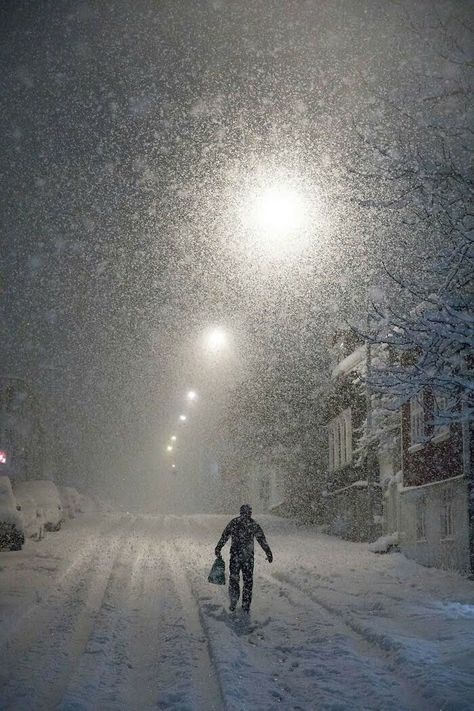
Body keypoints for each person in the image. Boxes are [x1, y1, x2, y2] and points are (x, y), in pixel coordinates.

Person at [215, 504, 273, 613]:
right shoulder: (253, 524)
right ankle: (246, 605)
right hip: (248, 558)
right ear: (250, 513)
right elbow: (262, 540)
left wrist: (218, 548)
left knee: (234, 579)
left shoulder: (234, 522)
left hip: (236, 556)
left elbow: (225, 536)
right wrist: (268, 552)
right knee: (248, 582)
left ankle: (233, 601)